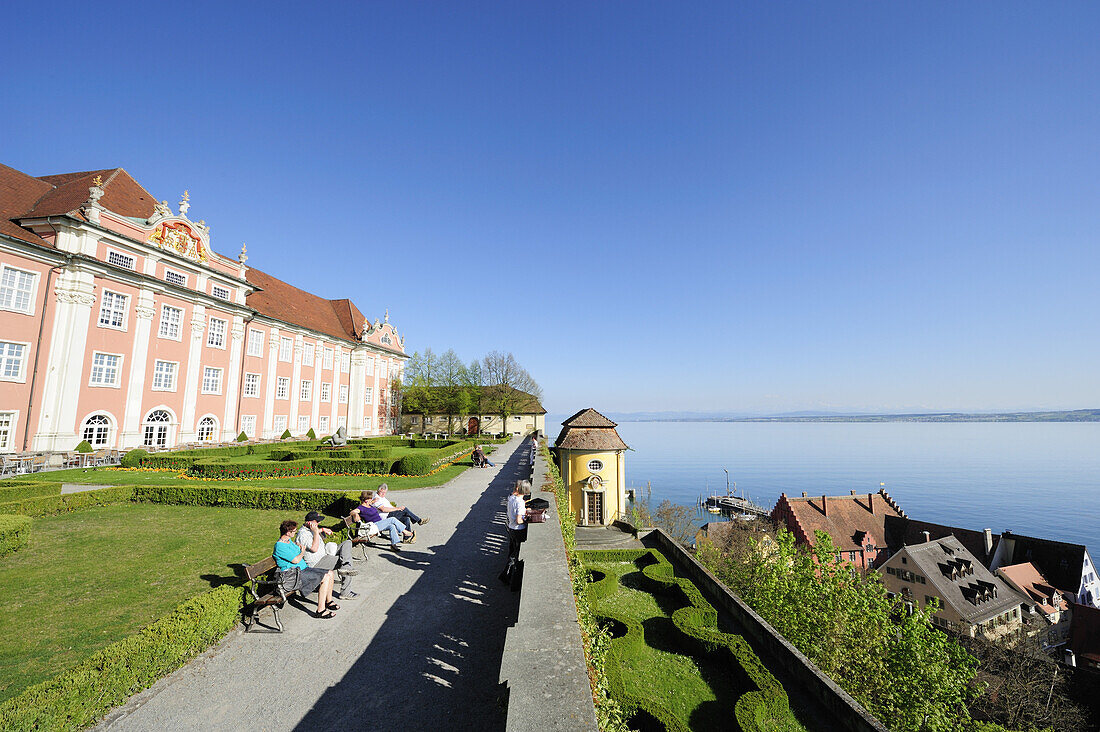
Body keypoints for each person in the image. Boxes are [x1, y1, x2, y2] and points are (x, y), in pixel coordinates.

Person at [273, 519, 339, 618]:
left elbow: (294, 547)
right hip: (292, 575)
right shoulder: (280, 546)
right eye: (294, 531)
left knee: (330, 573)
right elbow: (295, 560)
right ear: (288, 532)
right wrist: (302, 552)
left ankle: (328, 601)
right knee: (325, 577)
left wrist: (298, 545)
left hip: (302, 570)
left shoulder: (288, 541)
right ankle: (320, 610)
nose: (295, 533)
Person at [295, 510, 359, 599]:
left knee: (347, 543)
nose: (319, 522)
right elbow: (314, 548)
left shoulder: (310, 529)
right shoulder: (303, 534)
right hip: (317, 563)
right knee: (345, 561)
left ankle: (345, 567)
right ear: (309, 523)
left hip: (324, 555)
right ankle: (345, 592)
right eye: (317, 521)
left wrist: (322, 529)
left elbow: (315, 533)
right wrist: (316, 532)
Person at [499, 480, 530, 585]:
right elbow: (519, 520)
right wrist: (526, 518)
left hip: (511, 528)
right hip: (518, 529)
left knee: (512, 551)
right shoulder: (520, 502)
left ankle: (506, 575)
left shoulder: (511, 498)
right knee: (516, 554)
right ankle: (507, 575)